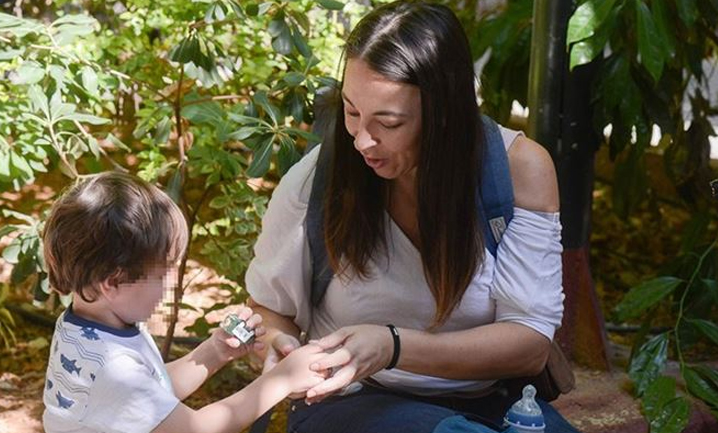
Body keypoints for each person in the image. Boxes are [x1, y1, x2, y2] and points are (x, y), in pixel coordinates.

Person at [245, 2, 580, 432]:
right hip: (354, 402)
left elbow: (530, 344)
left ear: (444, 113)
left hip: (490, 400)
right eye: (351, 112)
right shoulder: (318, 179)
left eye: (388, 123)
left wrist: (393, 346)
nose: (362, 141)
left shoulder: (518, 170)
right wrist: (279, 345)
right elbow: (269, 309)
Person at [41, 171, 329, 433]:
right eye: (162, 273)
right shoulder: (112, 368)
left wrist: (214, 352)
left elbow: (151, 390)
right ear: (114, 282)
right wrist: (281, 380)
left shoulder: (82, 327)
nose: (173, 282)